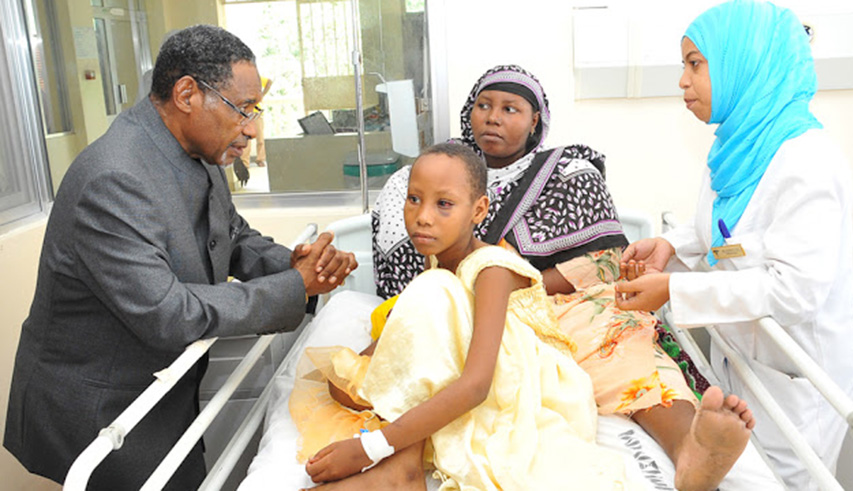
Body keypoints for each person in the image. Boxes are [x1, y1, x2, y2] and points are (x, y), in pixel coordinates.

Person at [3, 25, 356, 490]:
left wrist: (296, 263)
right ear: (187, 93)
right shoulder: (114, 179)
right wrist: (295, 286)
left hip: (157, 389)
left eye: (255, 110)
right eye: (242, 109)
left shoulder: (196, 150)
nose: (251, 128)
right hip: (100, 407)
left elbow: (231, 237)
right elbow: (169, 314)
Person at [373, 64, 756, 489]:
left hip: (554, 303)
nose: (493, 117)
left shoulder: (571, 173)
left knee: (622, 338)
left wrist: (524, 283)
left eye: (510, 108)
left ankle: (691, 448)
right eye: (483, 105)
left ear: (535, 120)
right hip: (468, 307)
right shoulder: (432, 174)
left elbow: (605, 262)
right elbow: (406, 278)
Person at [616, 1, 853, 488]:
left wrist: (675, 293)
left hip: (796, 383)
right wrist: (671, 246)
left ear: (740, 64)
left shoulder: (805, 160)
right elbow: (726, 237)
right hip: (744, 366)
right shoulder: (734, 147)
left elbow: (795, 291)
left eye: (695, 65)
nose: (683, 81)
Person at [298, 143, 634, 489]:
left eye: (443, 204)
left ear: (479, 210)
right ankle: (401, 462)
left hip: (526, 381)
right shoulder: (438, 257)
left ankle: (402, 467)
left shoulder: (492, 269)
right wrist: (370, 366)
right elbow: (428, 331)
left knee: (430, 293)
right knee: (344, 385)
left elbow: (475, 385)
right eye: (414, 198)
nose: (423, 216)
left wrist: (369, 448)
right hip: (477, 360)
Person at [240, 76, 272, 169]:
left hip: (257, 111)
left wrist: (262, 95)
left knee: (260, 137)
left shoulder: (255, 76)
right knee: (246, 138)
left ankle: (261, 159)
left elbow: (269, 82)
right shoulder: (239, 79)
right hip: (245, 111)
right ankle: (245, 163)